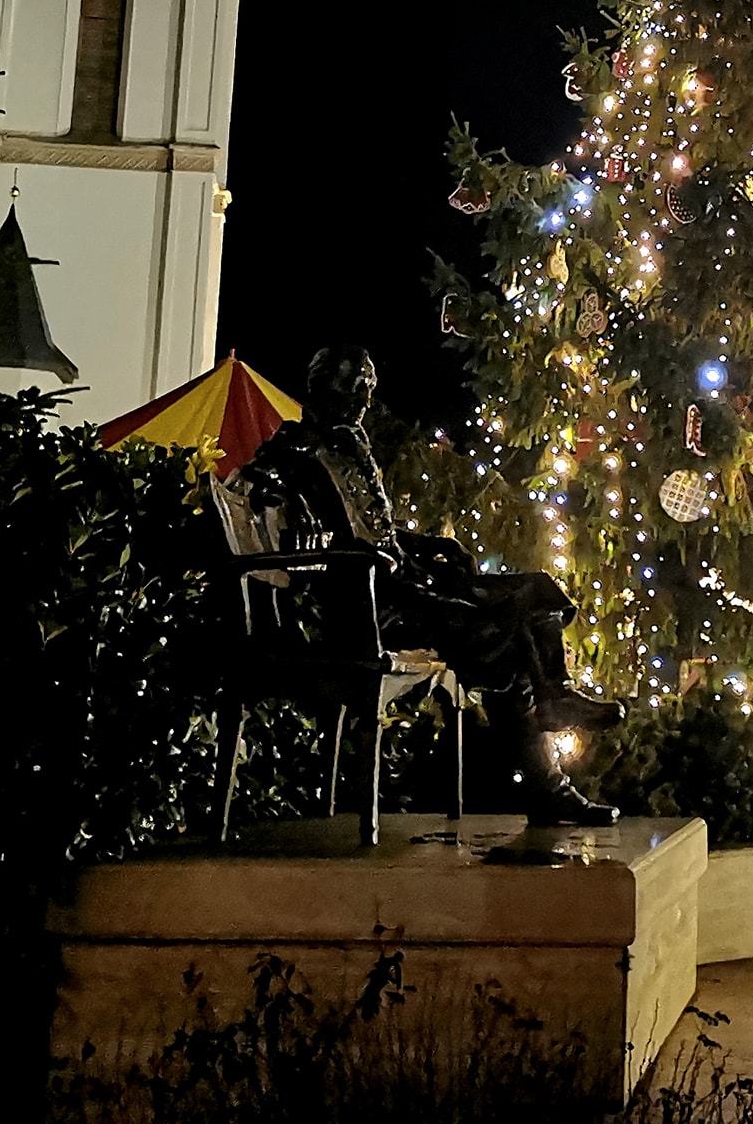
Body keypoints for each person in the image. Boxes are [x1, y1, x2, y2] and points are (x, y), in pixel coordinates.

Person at [234, 345, 621, 826]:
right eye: (353, 384)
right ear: (320, 386)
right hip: (362, 605)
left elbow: (378, 532)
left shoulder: (350, 446)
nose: (363, 397)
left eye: (368, 386)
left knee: (535, 593)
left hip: (403, 587)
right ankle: (549, 767)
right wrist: (282, 507)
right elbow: (253, 487)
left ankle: (554, 697)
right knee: (509, 631)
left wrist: (429, 544)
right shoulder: (297, 445)